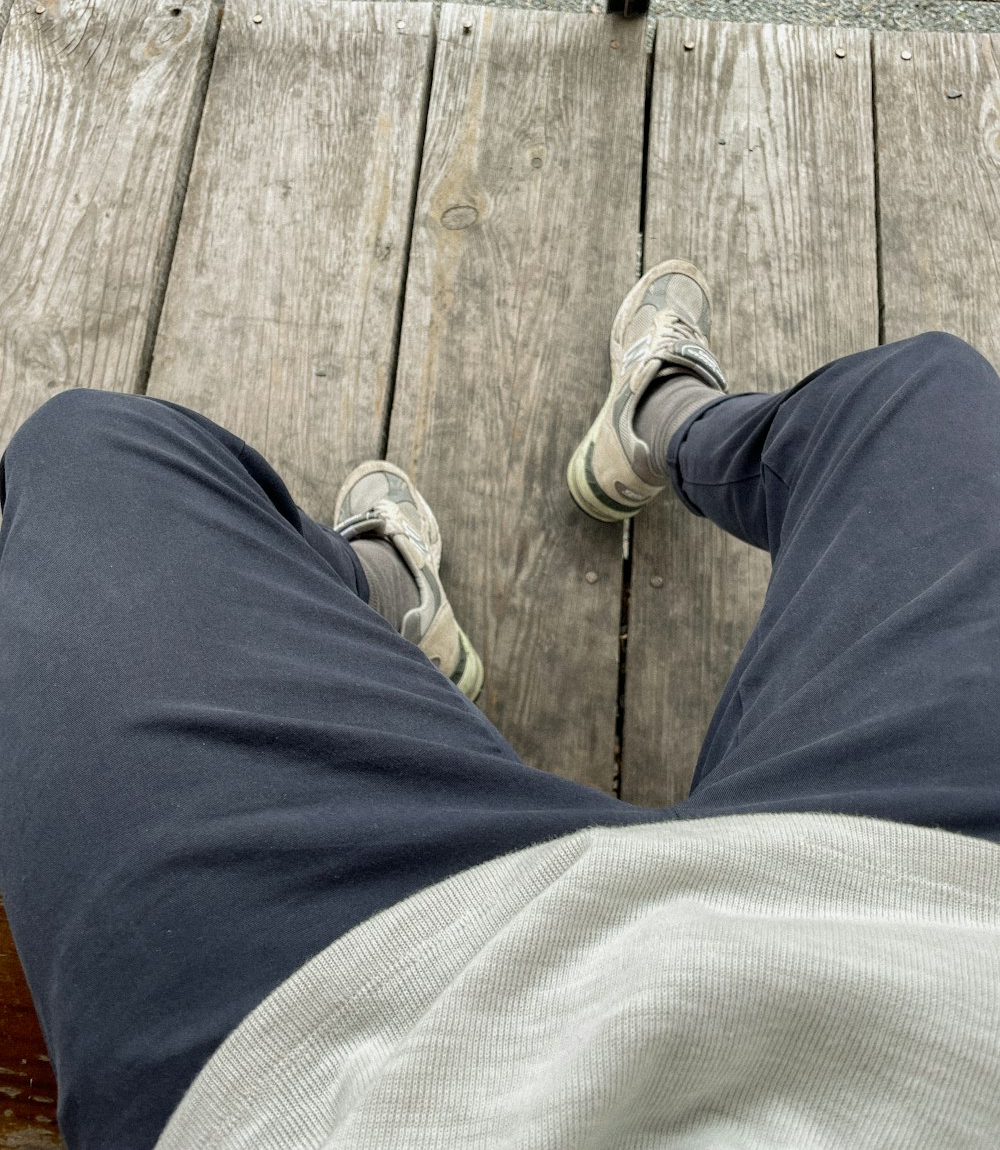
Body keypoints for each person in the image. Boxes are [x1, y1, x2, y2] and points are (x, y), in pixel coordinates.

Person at [0, 260, 998, 1150]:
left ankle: (397, 597)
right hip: (942, 937)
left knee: (95, 455)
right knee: (922, 395)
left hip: (332, 1063)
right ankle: (664, 421)